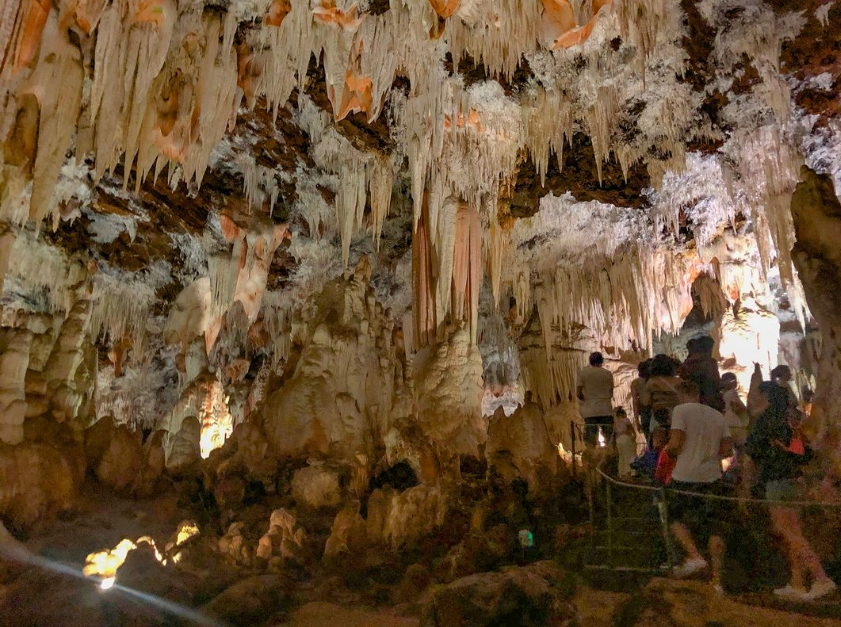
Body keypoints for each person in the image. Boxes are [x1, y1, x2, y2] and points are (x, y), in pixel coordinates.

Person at [746, 382, 836, 601]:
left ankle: (821, 578)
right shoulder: (792, 420)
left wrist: (747, 485)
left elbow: (751, 456)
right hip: (794, 479)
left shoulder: (764, 421)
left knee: (787, 531)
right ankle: (797, 583)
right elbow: (805, 452)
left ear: (766, 397)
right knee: (795, 531)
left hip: (776, 480)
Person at [665, 380, 733, 591]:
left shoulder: (681, 411)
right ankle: (717, 581)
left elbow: (676, 444)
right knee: (714, 527)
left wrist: (667, 452)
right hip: (711, 477)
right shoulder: (717, 415)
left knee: (674, 518)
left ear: (682, 394)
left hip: (684, 476)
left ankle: (694, 557)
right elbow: (728, 451)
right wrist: (708, 455)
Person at [576, 352, 614, 450]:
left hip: (590, 410)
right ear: (601, 361)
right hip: (605, 409)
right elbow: (610, 392)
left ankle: (591, 458)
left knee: (590, 438)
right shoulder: (607, 373)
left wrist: (586, 400)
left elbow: (578, 393)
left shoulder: (584, 373)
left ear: (590, 361)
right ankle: (610, 457)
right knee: (609, 437)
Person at [640, 354, 682, 439]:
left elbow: (645, 402)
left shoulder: (652, 382)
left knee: (658, 446)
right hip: (678, 417)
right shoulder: (679, 381)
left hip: (659, 418)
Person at [679, 336, 724, 411]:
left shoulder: (687, 363)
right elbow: (716, 381)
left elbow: (682, 379)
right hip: (709, 399)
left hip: (691, 400)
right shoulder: (710, 362)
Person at [631, 360, 652, 444]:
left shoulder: (635, 383)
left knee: (649, 439)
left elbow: (635, 402)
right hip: (656, 411)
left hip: (644, 412)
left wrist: (637, 420)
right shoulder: (654, 381)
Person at [614, 408, 636, 479]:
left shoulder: (616, 422)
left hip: (618, 439)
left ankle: (621, 472)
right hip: (626, 438)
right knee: (629, 455)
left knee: (621, 456)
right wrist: (634, 436)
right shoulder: (626, 420)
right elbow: (631, 429)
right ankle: (629, 472)